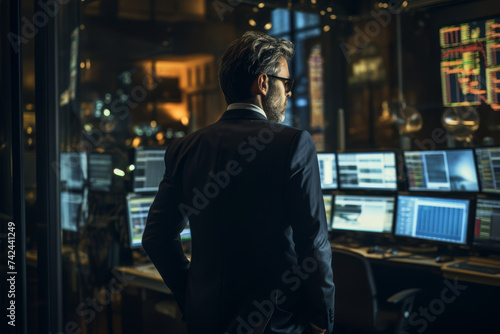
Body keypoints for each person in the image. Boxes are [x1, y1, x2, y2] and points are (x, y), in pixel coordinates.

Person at [142, 31, 335, 334]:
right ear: (263, 83)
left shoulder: (185, 148)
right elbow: (313, 242)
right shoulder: (294, 143)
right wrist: (321, 318)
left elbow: (156, 238)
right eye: (285, 83)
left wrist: (192, 296)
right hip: (273, 323)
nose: (289, 93)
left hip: (204, 320)